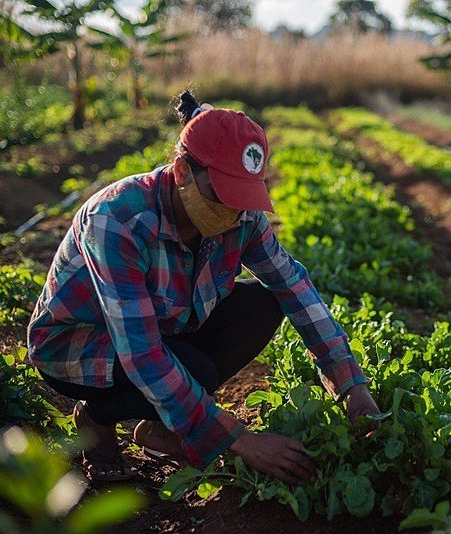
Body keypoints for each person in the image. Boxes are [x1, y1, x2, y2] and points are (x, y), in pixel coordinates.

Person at [27, 91, 380, 483]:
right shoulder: (118, 220)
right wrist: (239, 439)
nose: (234, 215)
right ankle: (95, 418)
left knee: (261, 305)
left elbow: (292, 285)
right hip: (79, 345)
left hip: (162, 329)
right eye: (223, 197)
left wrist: (349, 383)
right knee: (193, 370)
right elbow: (141, 354)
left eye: (243, 199)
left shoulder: (240, 219)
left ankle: (162, 424)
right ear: (182, 173)